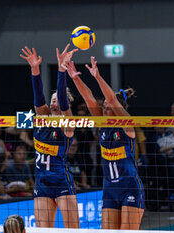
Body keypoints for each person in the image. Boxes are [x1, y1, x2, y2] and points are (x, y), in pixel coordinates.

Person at [66, 57, 143, 229]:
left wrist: (98, 77)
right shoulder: (102, 124)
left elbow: (113, 100)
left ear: (117, 110)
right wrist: (75, 78)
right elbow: (88, 98)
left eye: (108, 107)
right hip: (109, 188)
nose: (104, 109)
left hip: (129, 186)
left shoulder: (126, 125)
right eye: (103, 107)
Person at [20, 44, 79, 228]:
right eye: (51, 98)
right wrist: (35, 70)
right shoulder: (42, 118)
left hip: (61, 180)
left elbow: (62, 97)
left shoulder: (67, 123)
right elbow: (38, 97)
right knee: (43, 230)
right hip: (42, 182)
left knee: (73, 230)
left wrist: (61, 69)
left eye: (57, 99)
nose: (53, 101)